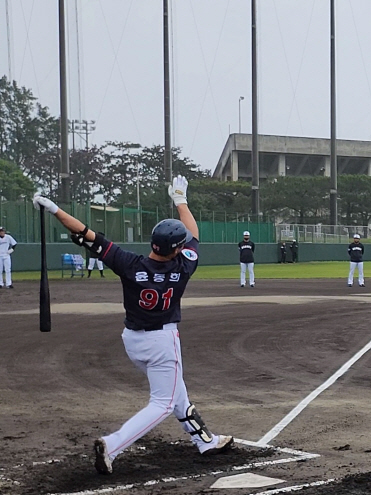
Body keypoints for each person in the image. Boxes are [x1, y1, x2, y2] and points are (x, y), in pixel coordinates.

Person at [33, 177, 233, 475]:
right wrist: (180, 199)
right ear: (176, 249)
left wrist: (54, 210)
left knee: (177, 393)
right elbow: (193, 234)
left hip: (133, 342)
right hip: (163, 342)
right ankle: (112, 445)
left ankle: (205, 440)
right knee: (163, 403)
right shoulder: (184, 265)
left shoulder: (129, 263)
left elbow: (86, 235)